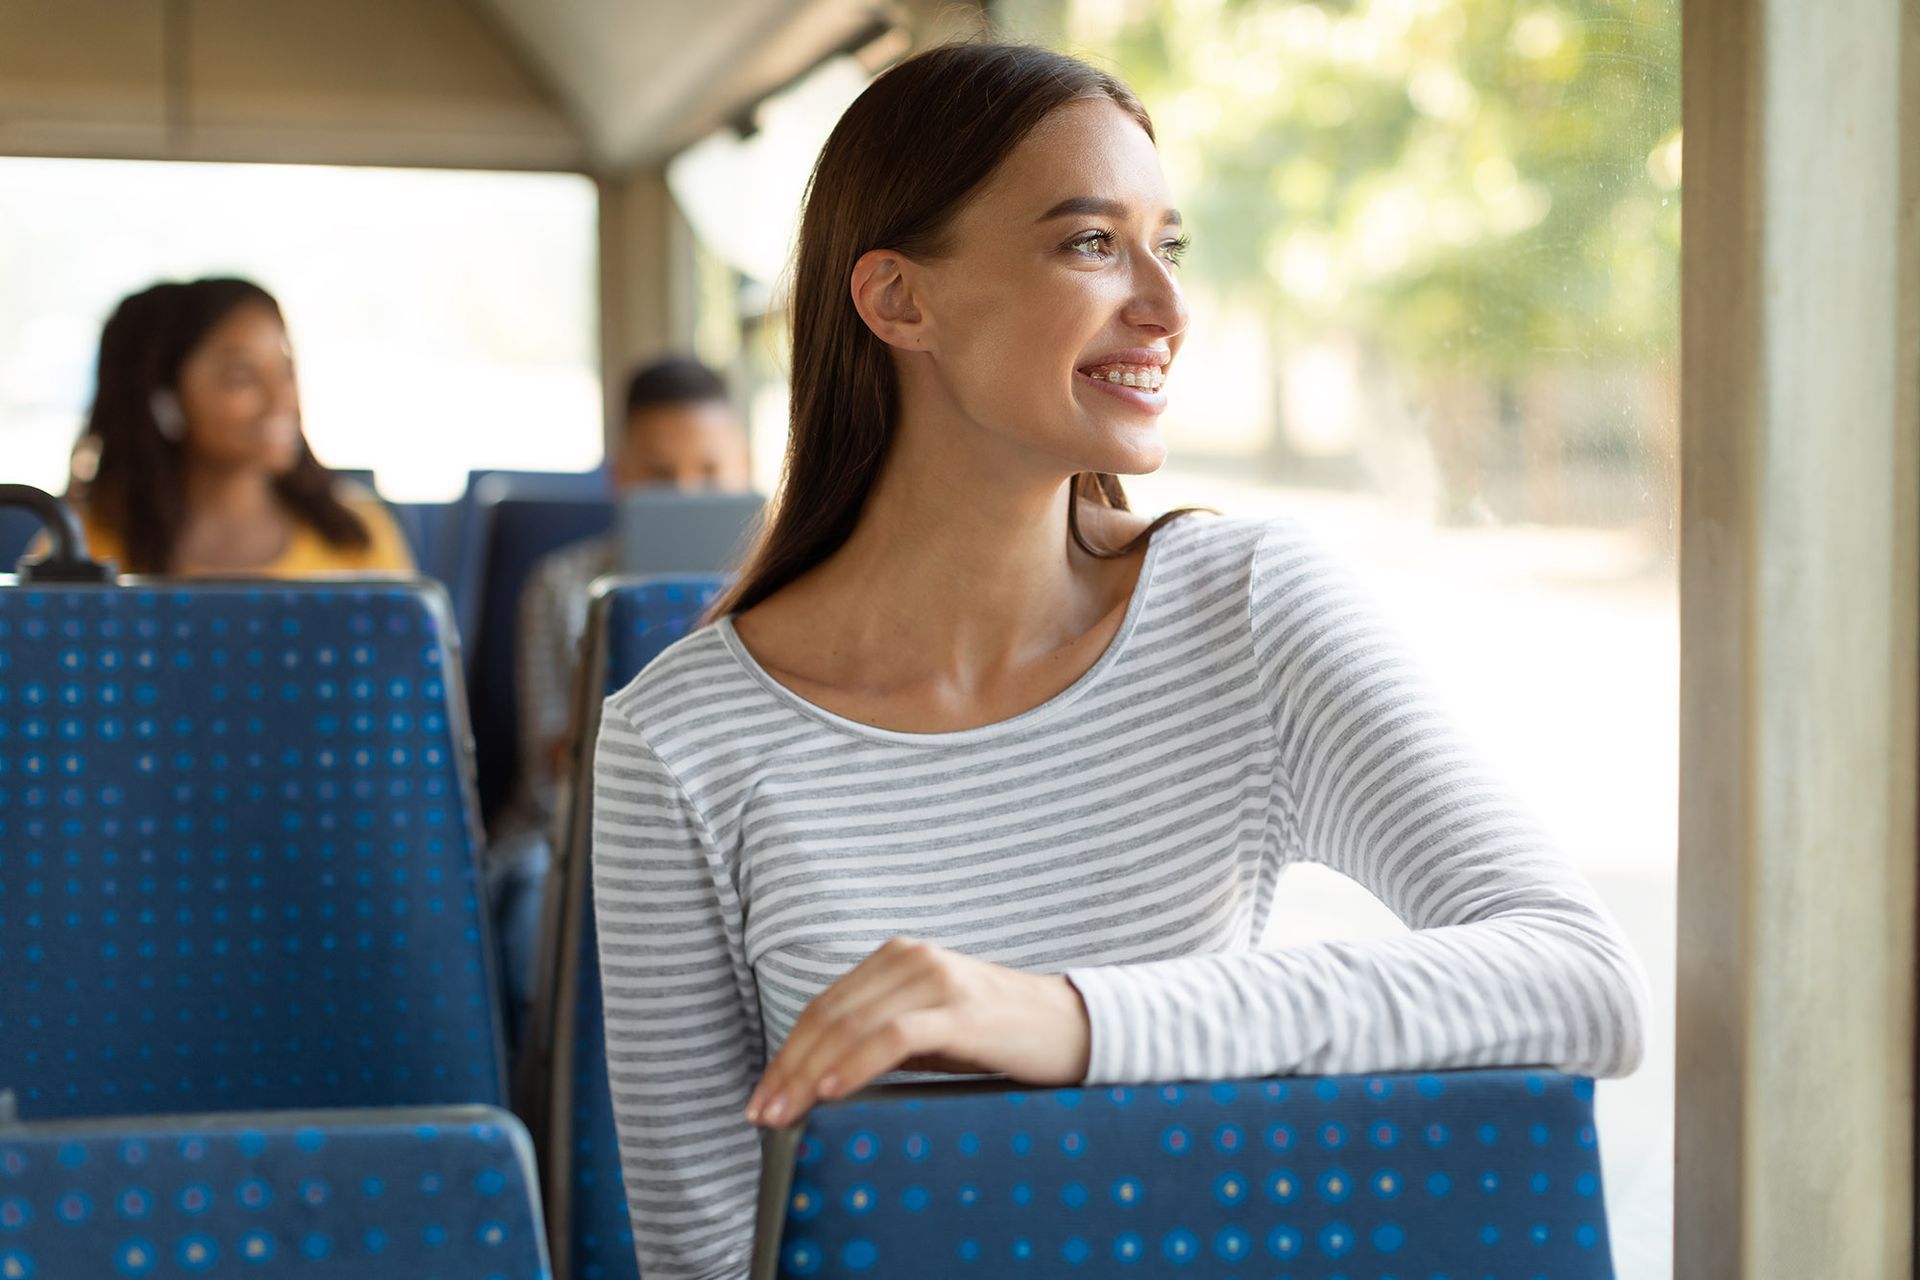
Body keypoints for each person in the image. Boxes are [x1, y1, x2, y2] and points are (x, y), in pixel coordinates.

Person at [591, 42, 1648, 1280]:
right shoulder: (677, 740)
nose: (1166, 303)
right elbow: (710, 1258)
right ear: (899, 300)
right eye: (1090, 242)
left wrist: (1065, 1017)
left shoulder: (1246, 608)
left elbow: (1581, 977)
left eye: (1171, 244)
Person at [510, 356, 750, 836]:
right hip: (585, 827)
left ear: (746, 468)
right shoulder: (559, 585)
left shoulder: (790, 586)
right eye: (660, 476)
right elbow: (547, 774)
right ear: (619, 478)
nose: (685, 495)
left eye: (709, 471)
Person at [66, 277, 412, 576]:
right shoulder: (83, 544)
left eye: (285, 371)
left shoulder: (357, 535)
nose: (282, 399)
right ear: (163, 399)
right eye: (242, 377)